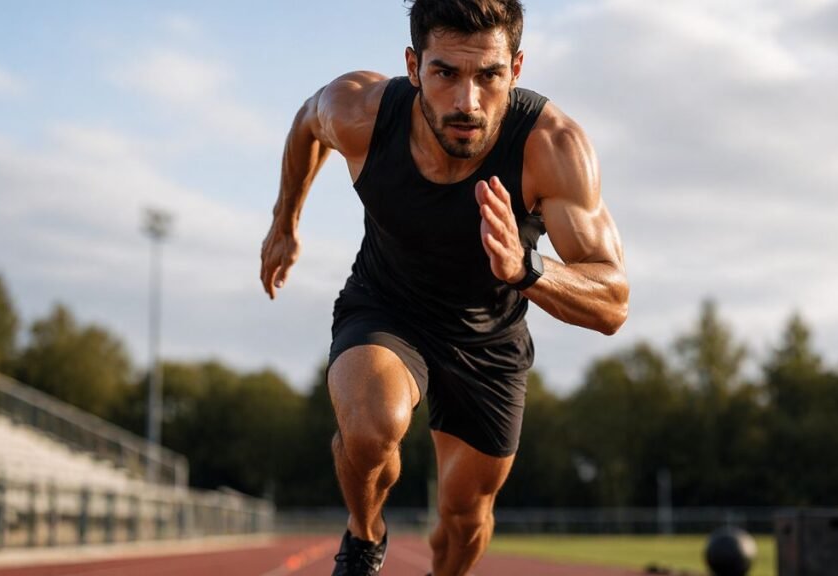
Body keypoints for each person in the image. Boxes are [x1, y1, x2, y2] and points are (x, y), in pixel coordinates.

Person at [260, 1, 628, 574]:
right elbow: (308, 122)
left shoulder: (551, 147)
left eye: (489, 76)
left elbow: (613, 301)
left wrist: (527, 268)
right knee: (370, 428)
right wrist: (285, 222)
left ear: (517, 68)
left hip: (489, 343)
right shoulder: (361, 111)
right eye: (445, 74)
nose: (467, 102)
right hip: (388, 306)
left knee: (464, 520)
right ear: (413, 66)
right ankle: (364, 536)